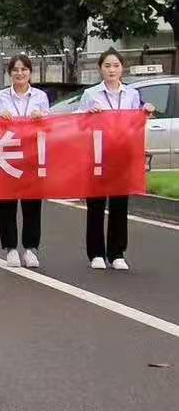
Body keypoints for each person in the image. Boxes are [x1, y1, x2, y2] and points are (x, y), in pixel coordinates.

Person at [78, 48, 156, 271]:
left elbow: (137, 120)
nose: (111, 70)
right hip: (97, 154)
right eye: (107, 66)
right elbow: (78, 124)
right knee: (96, 204)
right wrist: (88, 115)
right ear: (100, 69)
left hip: (122, 155)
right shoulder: (91, 94)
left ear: (122, 68)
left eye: (116, 66)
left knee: (119, 204)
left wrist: (146, 111)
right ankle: (96, 253)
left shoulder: (131, 94)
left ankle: (117, 253)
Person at [0, 53, 49, 269]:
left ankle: (31, 248)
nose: (20, 73)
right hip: (7, 155)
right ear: (10, 73)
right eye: (15, 70)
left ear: (30, 73)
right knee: (7, 203)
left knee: (32, 203)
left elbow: (50, 126)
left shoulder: (40, 97)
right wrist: (0, 119)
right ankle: (10, 248)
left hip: (32, 155)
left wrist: (40, 118)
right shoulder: (0, 98)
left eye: (24, 69)